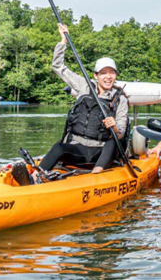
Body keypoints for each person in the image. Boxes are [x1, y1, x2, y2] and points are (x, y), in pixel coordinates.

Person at [17, 24, 127, 184]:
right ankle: (33, 179)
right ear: (96, 76)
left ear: (116, 75)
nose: (108, 77)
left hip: (101, 151)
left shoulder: (120, 99)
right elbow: (58, 67)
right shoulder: (84, 85)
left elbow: (121, 133)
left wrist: (115, 127)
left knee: (113, 142)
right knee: (58, 148)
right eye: (103, 73)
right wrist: (63, 41)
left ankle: (96, 177)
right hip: (78, 148)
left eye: (112, 72)